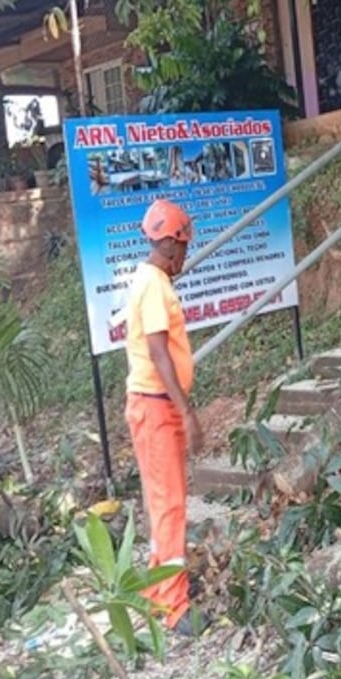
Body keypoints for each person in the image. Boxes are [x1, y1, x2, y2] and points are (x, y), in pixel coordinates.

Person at [124, 198, 205, 637]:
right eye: (185, 248)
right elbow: (158, 351)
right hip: (157, 408)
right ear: (171, 244)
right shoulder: (154, 283)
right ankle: (174, 606)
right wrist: (187, 412)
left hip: (154, 407)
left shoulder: (148, 279)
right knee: (170, 506)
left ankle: (155, 594)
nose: (186, 257)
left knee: (161, 504)